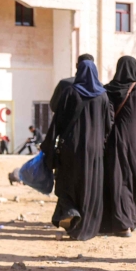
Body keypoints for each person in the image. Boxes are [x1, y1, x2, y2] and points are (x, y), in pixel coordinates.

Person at [43, 58, 113, 240]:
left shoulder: (70, 92)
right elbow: (108, 125)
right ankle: (85, 227)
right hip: (95, 149)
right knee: (90, 185)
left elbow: (58, 121)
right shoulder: (103, 96)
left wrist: (49, 146)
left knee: (67, 182)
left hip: (71, 147)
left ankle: (70, 210)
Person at [101, 56, 136, 237]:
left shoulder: (107, 89)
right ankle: (132, 219)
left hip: (114, 140)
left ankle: (119, 222)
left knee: (116, 179)